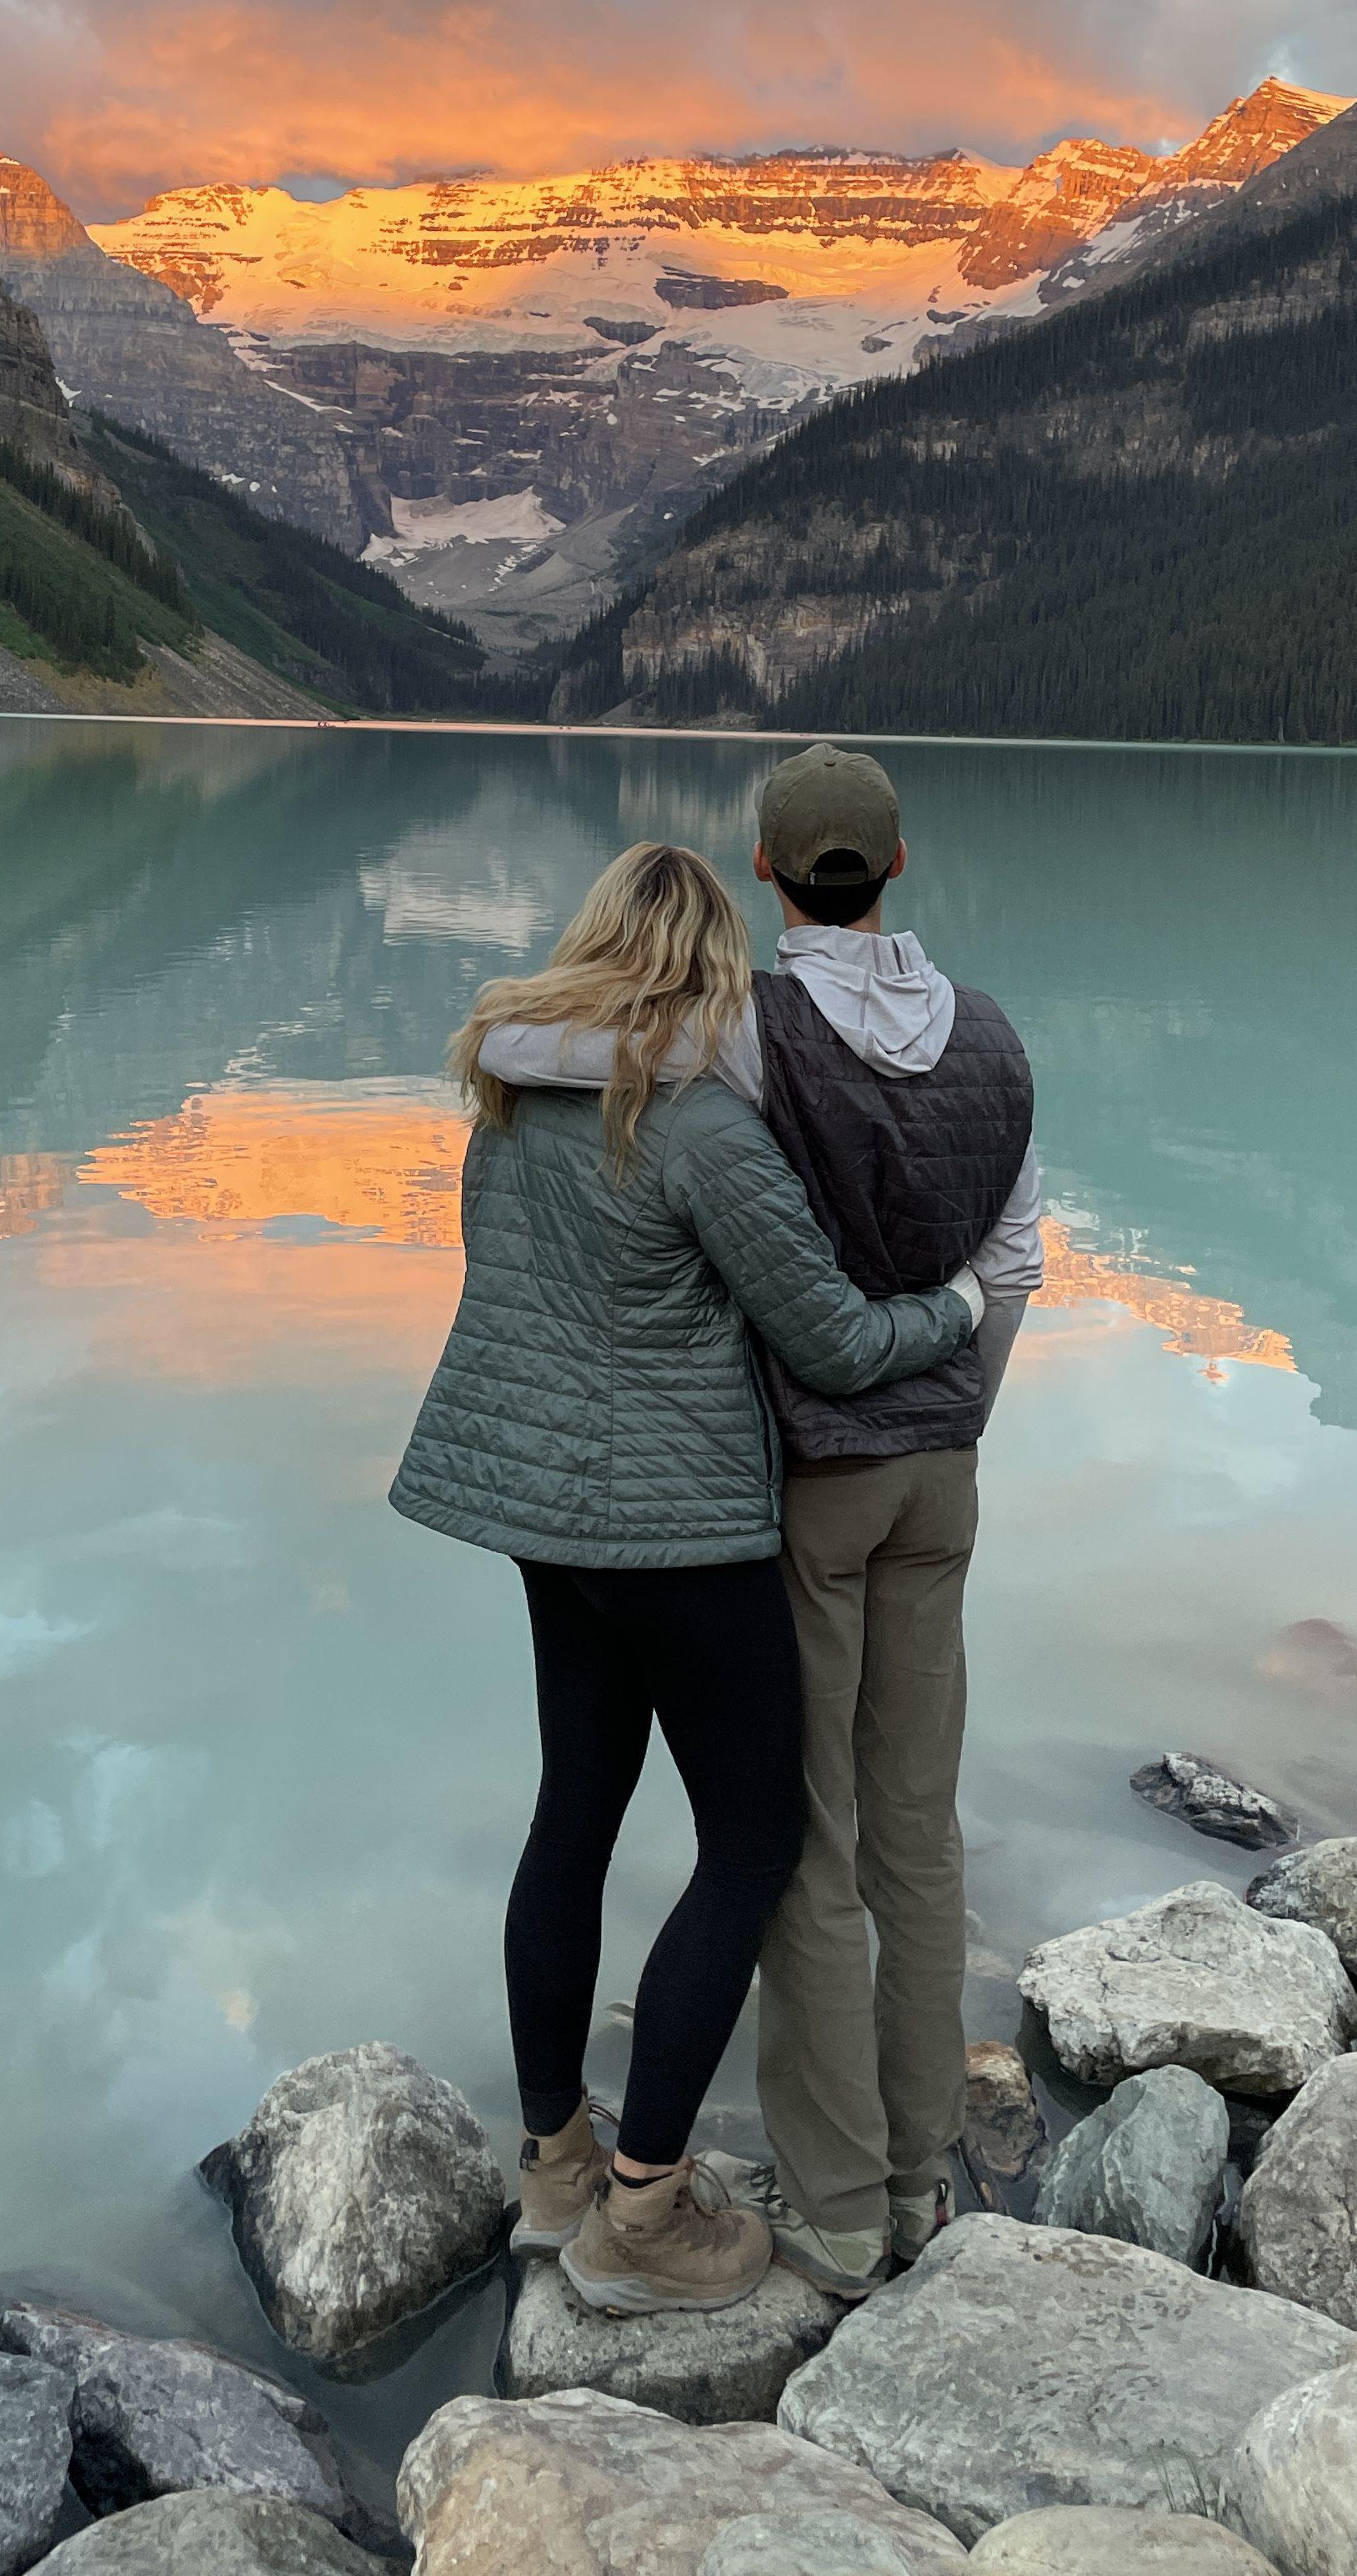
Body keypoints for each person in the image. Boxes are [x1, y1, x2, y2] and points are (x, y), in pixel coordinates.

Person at [394, 839, 984, 2318]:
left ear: (592, 945)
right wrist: (958, 1306)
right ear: (712, 968)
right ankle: (647, 2214)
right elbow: (836, 1341)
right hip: (680, 1541)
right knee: (754, 1843)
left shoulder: (510, 1106)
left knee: (575, 1818)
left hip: (545, 1524)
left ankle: (554, 2169)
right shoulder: (701, 1128)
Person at [742, 744, 1041, 2298]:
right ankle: (925, 2182)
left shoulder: (748, 1025)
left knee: (814, 1841)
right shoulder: (988, 1033)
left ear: (768, 872)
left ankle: (836, 2205)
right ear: (899, 867)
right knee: (918, 1829)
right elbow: (1022, 1266)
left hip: (811, 1478)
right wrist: (964, 1406)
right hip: (947, 1469)